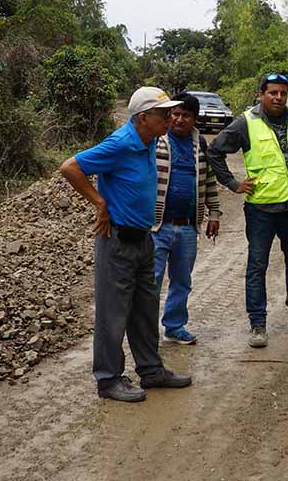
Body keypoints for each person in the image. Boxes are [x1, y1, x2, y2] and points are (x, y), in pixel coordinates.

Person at [59, 86, 193, 403]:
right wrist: (99, 203)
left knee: (145, 310)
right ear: (143, 117)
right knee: (113, 313)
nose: (170, 118)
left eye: (171, 112)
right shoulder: (120, 143)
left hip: (144, 238)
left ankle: (150, 370)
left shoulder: (149, 141)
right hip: (117, 240)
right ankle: (108, 380)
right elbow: (70, 168)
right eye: (164, 114)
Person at [206, 73, 288, 349]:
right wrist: (233, 183)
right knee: (257, 266)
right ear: (260, 94)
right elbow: (214, 151)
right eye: (273, 93)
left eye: (283, 93)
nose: (278, 98)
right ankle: (258, 324)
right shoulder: (245, 122)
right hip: (261, 209)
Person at [150, 92, 223, 346]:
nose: (179, 120)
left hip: (188, 227)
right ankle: (146, 331)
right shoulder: (155, 141)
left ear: (195, 119)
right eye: (176, 114)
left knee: (182, 280)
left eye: (186, 115)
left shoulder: (201, 146)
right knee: (152, 281)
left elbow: (210, 181)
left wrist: (214, 213)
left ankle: (174, 326)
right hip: (156, 226)